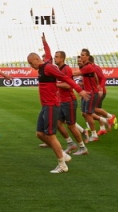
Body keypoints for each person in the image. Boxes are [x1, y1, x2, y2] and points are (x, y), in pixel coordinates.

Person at [29, 34, 90, 174]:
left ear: (36, 59)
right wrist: (44, 42)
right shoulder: (44, 65)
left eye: (31, 63)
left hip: (51, 105)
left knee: (51, 135)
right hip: (45, 106)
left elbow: (65, 78)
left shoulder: (49, 67)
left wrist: (79, 90)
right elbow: (49, 53)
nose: (30, 66)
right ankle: (63, 154)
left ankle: (62, 164)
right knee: (39, 133)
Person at [50, 48, 88, 156]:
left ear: (62, 58)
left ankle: (82, 147)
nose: (54, 58)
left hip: (69, 101)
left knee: (71, 125)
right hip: (62, 101)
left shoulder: (66, 69)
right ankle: (70, 143)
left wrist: (55, 84)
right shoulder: (58, 69)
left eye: (56, 57)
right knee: (57, 123)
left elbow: (68, 85)